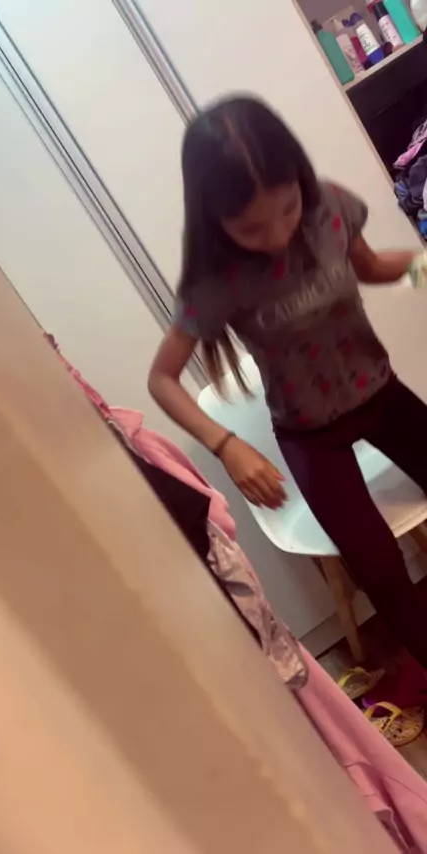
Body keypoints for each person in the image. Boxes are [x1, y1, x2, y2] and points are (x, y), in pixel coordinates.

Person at [148, 94, 427, 667]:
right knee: (380, 570)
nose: (277, 235)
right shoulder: (213, 280)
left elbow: (372, 267)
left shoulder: (330, 207)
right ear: (215, 219)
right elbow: (163, 380)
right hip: (309, 434)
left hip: (379, 391)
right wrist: (228, 446)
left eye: (288, 209)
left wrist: (422, 267)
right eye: (251, 227)